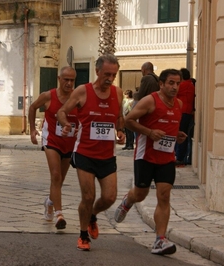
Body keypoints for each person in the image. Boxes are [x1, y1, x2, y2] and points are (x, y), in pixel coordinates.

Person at [113, 69, 187, 255]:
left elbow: (168, 127)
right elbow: (129, 121)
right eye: (170, 83)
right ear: (161, 84)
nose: (174, 87)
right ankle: (127, 201)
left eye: (177, 83)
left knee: (164, 195)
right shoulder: (150, 101)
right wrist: (149, 132)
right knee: (140, 194)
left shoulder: (178, 104)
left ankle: (160, 239)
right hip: (145, 156)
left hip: (166, 158)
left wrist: (176, 136)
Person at [57, 54, 125, 251]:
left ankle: (93, 215)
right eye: (106, 74)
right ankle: (83, 235)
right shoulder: (82, 92)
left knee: (110, 197)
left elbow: (119, 117)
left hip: (107, 155)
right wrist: (66, 124)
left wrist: (120, 131)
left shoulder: (118, 93)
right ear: (97, 71)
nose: (110, 78)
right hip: (85, 152)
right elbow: (61, 112)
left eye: (113, 75)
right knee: (88, 196)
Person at [28, 66, 78, 230]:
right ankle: (59, 215)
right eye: (66, 80)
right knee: (55, 175)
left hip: (69, 143)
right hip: (52, 141)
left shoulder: (77, 98)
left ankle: (49, 202)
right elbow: (33, 107)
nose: (69, 83)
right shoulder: (49, 96)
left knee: (60, 180)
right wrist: (32, 130)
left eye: (72, 80)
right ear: (59, 79)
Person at [174, 68, 195, 166]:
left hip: (181, 112)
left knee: (180, 135)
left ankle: (179, 157)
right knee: (186, 136)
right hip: (189, 113)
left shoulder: (181, 85)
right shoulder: (191, 85)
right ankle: (182, 156)